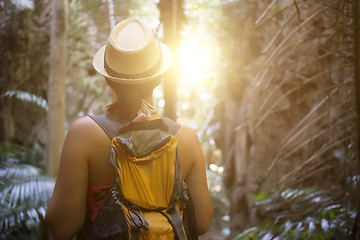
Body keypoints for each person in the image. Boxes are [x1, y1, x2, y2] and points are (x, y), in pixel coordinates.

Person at [45, 18, 213, 240]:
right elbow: (200, 222)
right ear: (159, 77)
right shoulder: (187, 139)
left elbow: (61, 227)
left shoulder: (84, 135)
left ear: (108, 77)